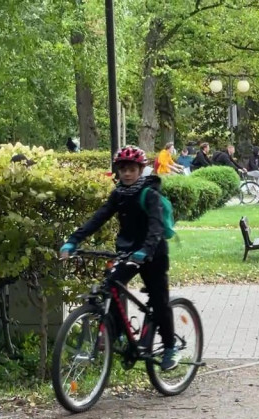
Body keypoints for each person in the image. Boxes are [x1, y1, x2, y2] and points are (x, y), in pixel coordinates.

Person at [58, 146, 180, 371]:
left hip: (153, 253)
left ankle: (170, 347)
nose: (126, 174)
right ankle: (120, 335)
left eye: (131, 169)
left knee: (159, 299)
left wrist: (146, 250)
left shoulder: (149, 194)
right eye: (122, 169)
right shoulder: (119, 194)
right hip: (127, 251)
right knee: (111, 284)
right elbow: (99, 218)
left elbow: (155, 226)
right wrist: (73, 240)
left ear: (140, 169)